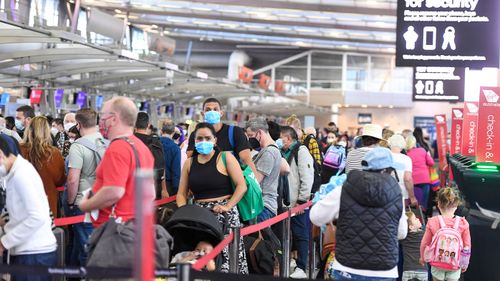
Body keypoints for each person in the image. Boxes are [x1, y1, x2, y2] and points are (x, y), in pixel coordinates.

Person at [310, 147, 407, 281]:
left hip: (347, 267)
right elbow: (401, 233)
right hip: (384, 271)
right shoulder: (397, 194)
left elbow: (315, 216)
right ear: (386, 170)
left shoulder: (344, 189)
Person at [177, 122, 248, 274]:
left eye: (207, 138)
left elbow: (242, 186)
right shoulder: (189, 163)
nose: (203, 141)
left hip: (224, 216)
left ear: (215, 140)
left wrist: (228, 206)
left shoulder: (225, 157)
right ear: (194, 141)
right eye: (199, 138)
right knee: (201, 261)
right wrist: (184, 212)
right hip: (200, 219)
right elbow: (181, 194)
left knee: (228, 260)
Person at [79, 97, 155, 227]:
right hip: (134, 228)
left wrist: (86, 204)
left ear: (113, 119)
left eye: (103, 115)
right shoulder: (142, 148)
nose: (100, 121)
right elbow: (151, 193)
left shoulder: (117, 149)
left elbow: (114, 191)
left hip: (114, 231)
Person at [0, 137, 57, 281]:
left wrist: (4, 242)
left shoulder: (21, 175)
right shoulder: (16, 172)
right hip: (29, 252)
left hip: (34, 254)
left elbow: (37, 217)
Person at [66, 108, 105, 267]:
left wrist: (70, 202)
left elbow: (73, 180)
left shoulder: (78, 146)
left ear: (79, 124)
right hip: (104, 200)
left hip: (84, 202)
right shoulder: (106, 143)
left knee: (85, 250)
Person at [186, 98, 256, 175]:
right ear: (202, 114)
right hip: (204, 179)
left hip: (230, 181)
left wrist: (254, 183)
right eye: (208, 110)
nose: (212, 112)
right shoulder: (196, 134)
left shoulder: (234, 132)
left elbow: (246, 160)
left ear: (221, 113)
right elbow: (190, 161)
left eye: (215, 109)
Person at [279, 126, 314, 279]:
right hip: (284, 202)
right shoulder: (282, 152)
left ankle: (302, 266)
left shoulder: (301, 151)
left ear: (288, 138)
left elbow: (307, 177)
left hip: (297, 202)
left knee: (300, 233)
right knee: (287, 233)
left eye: (281, 137)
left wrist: (302, 200)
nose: (279, 140)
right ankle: (291, 260)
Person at [420, 188, 471, 281]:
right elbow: (467, 246)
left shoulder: (432, 221)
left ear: (438, 204)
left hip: (437, 262)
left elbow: (425, 242)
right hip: (454, 263)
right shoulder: (463, 223)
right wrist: (465, 263)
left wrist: (423, 257)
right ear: (456, 205)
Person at [20, 116, 66, 216]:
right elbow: (60, 180)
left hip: (22, 203)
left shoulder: (18, 150)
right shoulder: (54, 153)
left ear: (29, 129)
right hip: (47, 204)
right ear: (47, 131)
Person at [245, 117, 281, 222]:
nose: (250, 139)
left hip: (263, 206)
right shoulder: (267, 150)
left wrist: (246, 157)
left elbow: (255, 180)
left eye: (251, 135)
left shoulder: (269, 152)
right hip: (262, 205)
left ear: (260, 132)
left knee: (258, 237)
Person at [134, 112, 166, 200]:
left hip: (135, 189)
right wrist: (164, 189)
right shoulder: (156, 142)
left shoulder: (129, 142)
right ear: (148, 125)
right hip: (155, 187)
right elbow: (162, 167)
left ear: (134, 125)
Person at [406, 135, 434, 213]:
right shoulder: (422, 150)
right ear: (414, 143)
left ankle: (414, 218)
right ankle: (423, 218)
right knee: (423, 204)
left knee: (413, 202)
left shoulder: (406, 154)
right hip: (424, 180)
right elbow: (431, 163)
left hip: (412, 181)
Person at [388, 135, 417, 206]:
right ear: (403, 145)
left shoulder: (385, 156)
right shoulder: (406, 159)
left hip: (387, 193)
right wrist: (412, 197)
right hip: (401, 193)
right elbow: (407, 178)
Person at [400, 211, 427, 281]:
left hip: (408, 269)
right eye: (415, 219)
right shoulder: (425, 235)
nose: (418, 219)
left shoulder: (404, 237)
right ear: (411, 227)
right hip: (422, 269)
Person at [159, 119, 181, 196]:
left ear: (161, 131)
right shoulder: (175, 148)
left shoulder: (153, 144)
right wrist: (176, 189)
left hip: (154, 184)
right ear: (173, 132)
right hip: (169, 186)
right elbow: (176, 171)